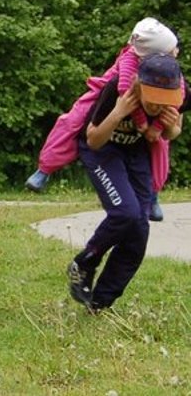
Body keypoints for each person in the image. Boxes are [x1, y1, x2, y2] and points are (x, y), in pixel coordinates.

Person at [67, 53, 185, 312]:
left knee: (139, 231)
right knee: (126, 213)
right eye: (153, 99)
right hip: (102, 150)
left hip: (135, 154)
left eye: (164, 100)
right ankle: (84, 262)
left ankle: (99, 302)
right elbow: (93, 140)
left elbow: (172, 130)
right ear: (139, 84)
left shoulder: (179, 94)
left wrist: (171, 129)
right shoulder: (116, 90)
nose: (157, 106)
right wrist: (119, 112)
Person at [31, 17, 177, 222]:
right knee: (72, 120)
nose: (176, 53)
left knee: (160, 143)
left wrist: (160, 126)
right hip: (112, 96)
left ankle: (153, 195)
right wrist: (143, 123)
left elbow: (177, 102)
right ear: (152, 55)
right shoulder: (130, 60)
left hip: (150, 101)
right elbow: (124, 93)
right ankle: (45, 169)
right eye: (171, 50)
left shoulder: (167, 69)